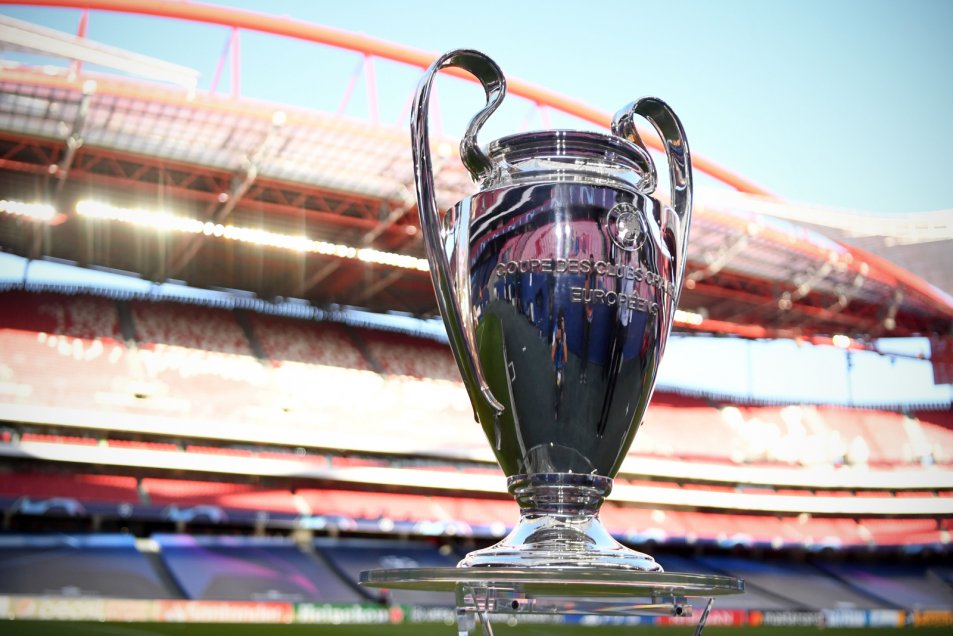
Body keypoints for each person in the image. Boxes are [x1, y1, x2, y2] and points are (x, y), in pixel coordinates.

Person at [551, 310, 567, 418]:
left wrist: (565, 357)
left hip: (561, 365)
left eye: (564, 321)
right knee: (557, 385)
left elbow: (565, 346)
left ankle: (561, 391)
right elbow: (552, 355)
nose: (564, 323)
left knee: (562, 382)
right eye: (562, 321)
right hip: (558, 366)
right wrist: (557, 342)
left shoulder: (563, 332)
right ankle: (556, 408)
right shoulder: (556, 333)